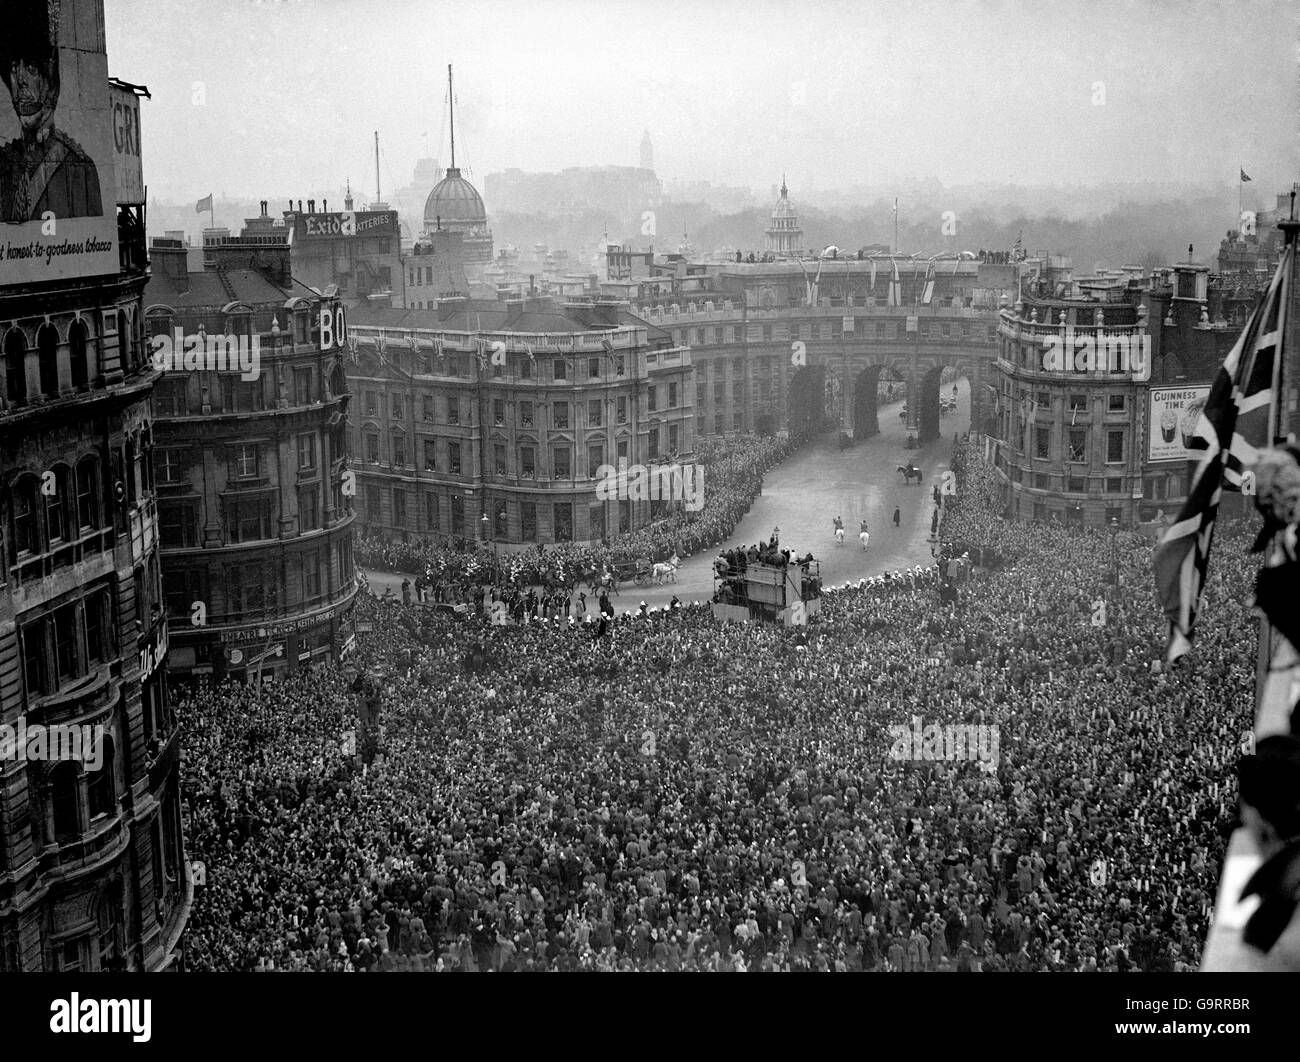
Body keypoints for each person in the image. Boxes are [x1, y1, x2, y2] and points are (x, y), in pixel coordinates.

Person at [0, 2, 104, 224]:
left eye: (30, 69)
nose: (20, 82)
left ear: (50, 80)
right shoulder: (5, 164)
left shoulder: (80, 170)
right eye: (13, 69)